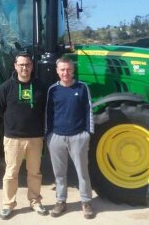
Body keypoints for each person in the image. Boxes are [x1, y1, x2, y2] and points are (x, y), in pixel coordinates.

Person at [0, 52, 48, 220]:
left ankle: (35, 201)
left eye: (28, 64)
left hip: (35, 138)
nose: (25, 68)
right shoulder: (6, 87)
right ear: (15, 66)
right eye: (21, 64)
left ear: (32, 66)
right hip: (13, 139)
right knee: (11, 173)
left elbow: (46, 111)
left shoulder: (41, 87)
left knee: (35, 173)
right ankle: (8, 204)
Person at [45, 57, 95, 219]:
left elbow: (89, 111)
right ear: (57, 71)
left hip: (78, 137)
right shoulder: (52, 90)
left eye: (68, 69)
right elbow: (48, 114)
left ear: (72, 70)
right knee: (59, 173)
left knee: (83, 172)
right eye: (62, 70)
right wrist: (49, 135)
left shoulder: (82, 88)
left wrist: (88, 133)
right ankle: (61, 201)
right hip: (57, 138)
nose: (65, 73)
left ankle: (86, 202)